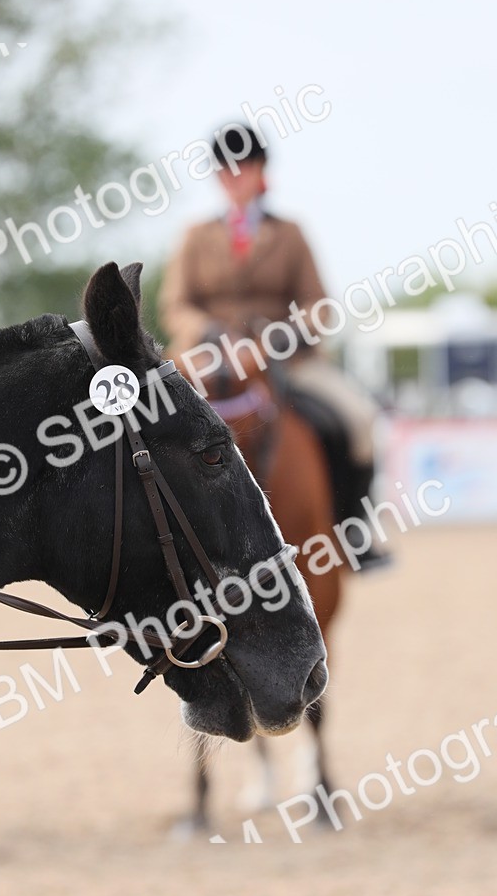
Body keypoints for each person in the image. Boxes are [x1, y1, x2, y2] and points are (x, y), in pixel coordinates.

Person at [159, 125, 390, 569]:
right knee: (141, 419)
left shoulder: (290, 233)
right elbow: (176, 304)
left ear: (260, 171)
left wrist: (270, 343)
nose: (233, 176)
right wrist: (214, 335)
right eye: (225, 169)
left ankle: (354, 530)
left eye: (242, 167)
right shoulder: (195, 235)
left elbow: (317, 306)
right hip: (207, 357)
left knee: (360, 420)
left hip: (285, 358)